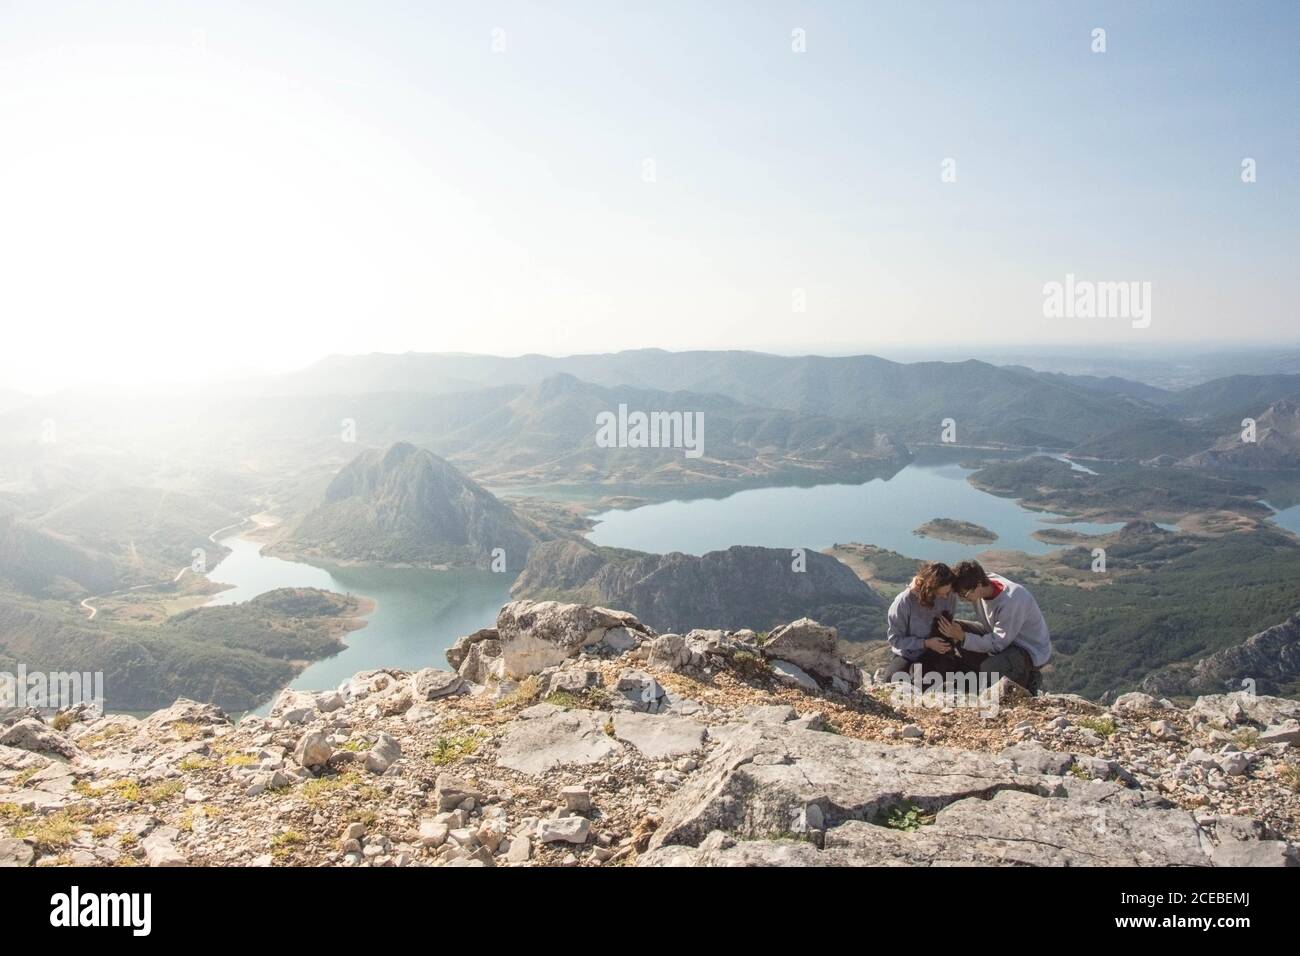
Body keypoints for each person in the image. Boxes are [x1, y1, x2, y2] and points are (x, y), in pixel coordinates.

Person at [945, 560, 1052, 693]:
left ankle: (1025, 682)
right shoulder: (983, 583)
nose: (963, 599)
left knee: (989, 667)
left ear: (978, 585)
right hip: (1002, 638)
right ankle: (979, 675)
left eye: (965, 595)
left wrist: (963, 637)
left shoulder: (1012, 600)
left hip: (1028, 650)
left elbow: (998, 644)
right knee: (956, 628)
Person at [883, 562, 987, 682]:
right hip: (908, 654)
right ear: (929, 589)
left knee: (935, 682)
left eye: (947, 593)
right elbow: (895, 639)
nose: (945, 597)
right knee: (891, 681)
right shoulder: (904, 602)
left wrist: (946, 642)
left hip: (935, 652)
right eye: (940, 594)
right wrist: (926, 643)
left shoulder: (950, 595)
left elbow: (945, 625)